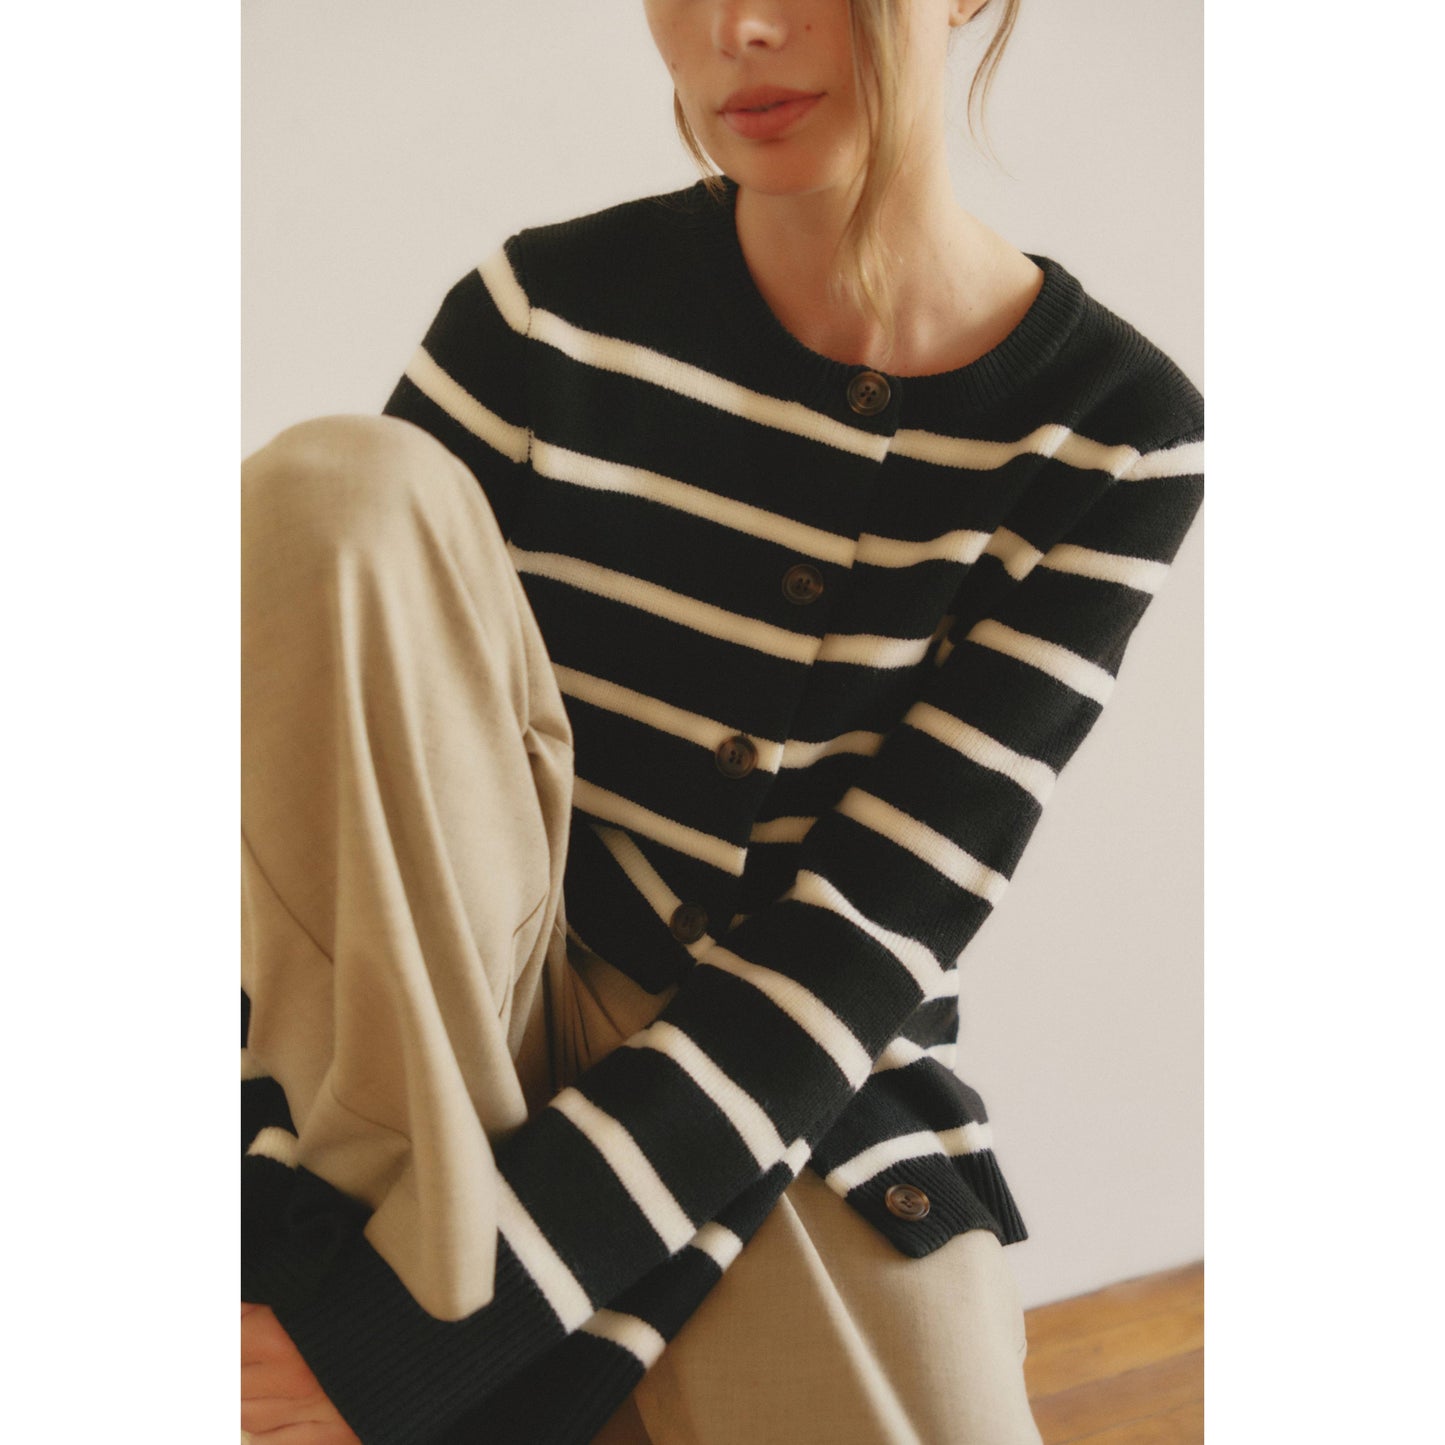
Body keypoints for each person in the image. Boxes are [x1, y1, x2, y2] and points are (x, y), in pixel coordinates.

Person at [240, 1, 1203, 1442]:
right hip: (438, 1006)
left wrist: (421, 1341)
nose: (735, 27)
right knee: (338, 488)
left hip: (784, 1072)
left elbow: (863, 938)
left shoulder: (1112, 428)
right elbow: (324, 800)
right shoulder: (538, 310)